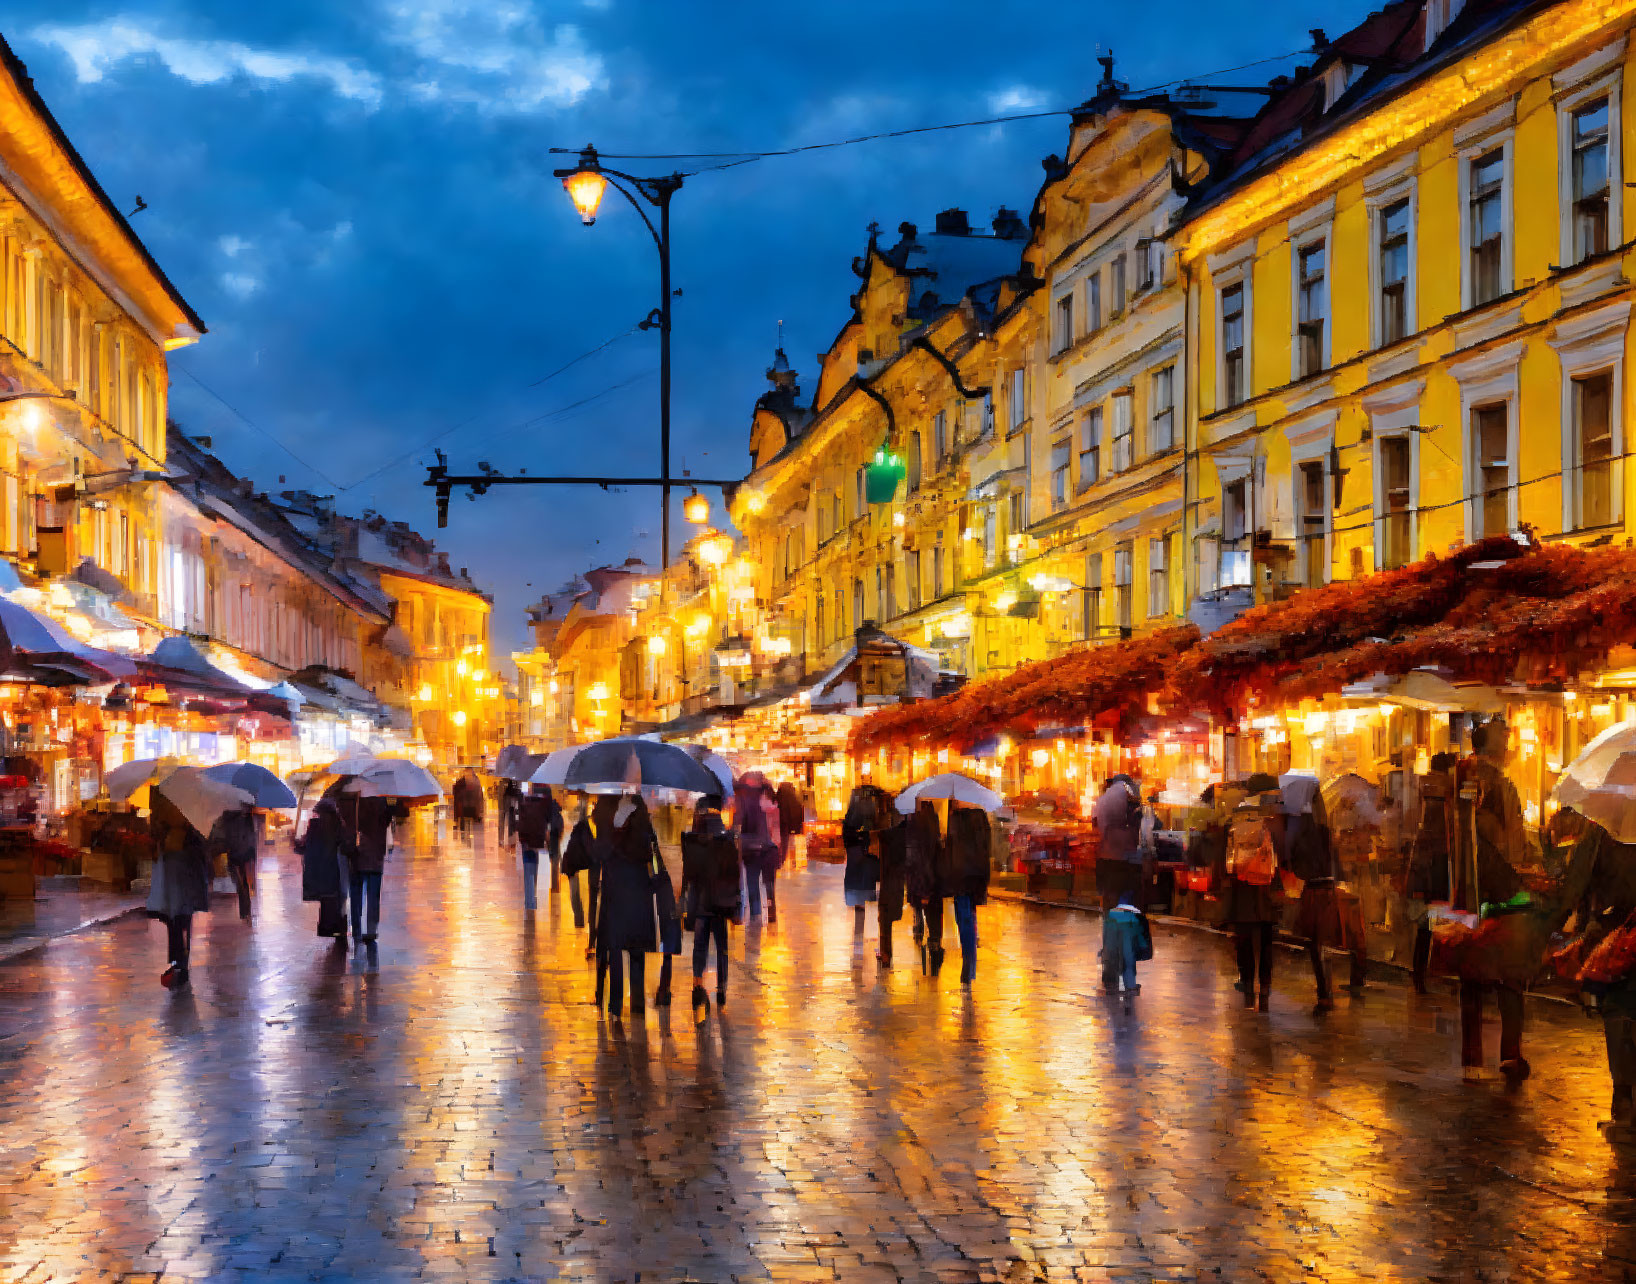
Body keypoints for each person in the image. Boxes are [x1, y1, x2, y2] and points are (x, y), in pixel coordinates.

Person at [1453, 720, 1537, 1083]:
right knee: (1510, 979)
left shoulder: (1465, 778)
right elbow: (1497, 838)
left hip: (1470, 894)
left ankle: (1474, 1059)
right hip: (1501, 895)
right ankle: (1509, 1054)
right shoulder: (1491, 782)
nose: (1508, 746)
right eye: (1504, 739)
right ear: (1490, 744)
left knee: (1473, 979)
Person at [1552, 812, 1636, 1131]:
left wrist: (1558, 920)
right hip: (1618, 930)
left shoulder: (1603, 829)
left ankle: (1624, 1103)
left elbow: (1578, 880)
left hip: (1616, 935)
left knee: (1618, 1011)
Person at [1281, 773, 1365, 1011]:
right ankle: (1328, 990)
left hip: (1314, 890)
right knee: (1326, 941)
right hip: (1328, 888)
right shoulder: (1324, 828)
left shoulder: (1299, 826)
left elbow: (1293, 861)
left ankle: (1324, 992)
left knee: (1316, 943)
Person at [595, 792, 667, 1020]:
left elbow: (600, 852)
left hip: (616, 891)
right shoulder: (643, 820)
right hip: (639, 893)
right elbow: (652, 857)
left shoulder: (608, 816)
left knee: (615, 949)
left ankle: (615, 1006)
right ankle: (637, 1006)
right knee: (636, 950)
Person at [1219, 774, 1283, 1012]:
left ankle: (1247, 982)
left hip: (1242, 885)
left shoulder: (1235, 816)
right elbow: (1280, 853)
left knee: (1244, 937)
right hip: (1266, 885)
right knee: (1266, 939)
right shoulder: (1273, 818)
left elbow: (1225, 854)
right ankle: (1264, 985)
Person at [680, 793, 741, 1019]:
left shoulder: (693, 840)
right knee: (722, 947)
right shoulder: (726, 840)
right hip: (721, 903)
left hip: (701, 904)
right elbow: (734, 876)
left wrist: (684, 900)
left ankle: (697, 984)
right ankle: (722, 990)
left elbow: (688, 875)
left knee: (700, 947)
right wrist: (737, 905)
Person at [147, 792, 211, 988]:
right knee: (182, 921)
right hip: (182, 878)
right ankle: (181, 963)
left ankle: (179, 962)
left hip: (176, 878)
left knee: (176, 922)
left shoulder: (169, 825)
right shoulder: (191, 821)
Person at [1406, 752, 1459, 993]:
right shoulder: (1441, 794)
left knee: (1427, 924)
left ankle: (1422, 973)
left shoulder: (1424, 793)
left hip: (1428, 865)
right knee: (1432, 923)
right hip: (1436, 866)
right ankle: (1425, 973)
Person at [339, 790, 408, 945]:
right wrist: (391, 804)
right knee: (373, 895)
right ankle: (370, 930)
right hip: (374, 855)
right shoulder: (382, 799)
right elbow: (399, 813)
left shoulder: (349, 796)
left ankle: (356, 928)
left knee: (356, 894)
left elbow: (343, 820)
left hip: (356, 853)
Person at [946, 802, 992, 984]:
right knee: (969, 916)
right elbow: (987, 847)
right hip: (978, 874)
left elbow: (951, 850)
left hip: (961, 875)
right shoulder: (981, 817)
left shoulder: (955, 819)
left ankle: (968, 963)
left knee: (964, 918)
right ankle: (969, 963)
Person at [299, 796, 349, 941]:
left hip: (328, 872)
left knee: (331, 902)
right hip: (330, 872)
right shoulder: (333, 827)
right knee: (333, 902)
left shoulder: (321, 827)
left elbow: (307, 848)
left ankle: (336, 931)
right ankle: (336, 931)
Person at [735, 772, 782, 922]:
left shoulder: (742, 797)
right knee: (769, 883)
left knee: (753, 882)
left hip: (751, 847)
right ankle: (771, 910)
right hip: (768, 847)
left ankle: (756, 915)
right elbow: (776, 822)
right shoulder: (767, 794)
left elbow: (738, 821)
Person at [905, 798, 945, 973]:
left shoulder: (911, 824)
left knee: (924, 910)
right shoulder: (932, 826)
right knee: (935, 921)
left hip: (918, 881)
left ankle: (920, 925)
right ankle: (935, 953)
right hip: (931, 883)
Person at [1094, 774, 1145, 910]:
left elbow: (1096, 824)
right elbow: (1137, 821)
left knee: (1110, 894)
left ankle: (1109, 920)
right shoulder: (1128, 794)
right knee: (1124, 893)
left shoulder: (1103, 798)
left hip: (1106, 853)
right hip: (1123, 854)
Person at [842, 784, 884, 942]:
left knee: (859, 903)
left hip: (855, 863)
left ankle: (859, 938)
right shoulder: (870, 816)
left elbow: (848, 839)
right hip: (865, 862)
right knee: (866, 898)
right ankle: (867, 938)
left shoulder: (850, 818)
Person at [561, 794, 602, 953]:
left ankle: (592, 941)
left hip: (591, 872)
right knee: (595, 905)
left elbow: (573, 848)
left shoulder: (584, 826)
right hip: (600, 872)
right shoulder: (608, 826)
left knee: (592, 905)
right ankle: (594, 940)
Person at [514, 784, 564, 911]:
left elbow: (518, 821)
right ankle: (532, 898)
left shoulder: (526, 801)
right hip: (537, 838)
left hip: (526, 838)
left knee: (528, 868)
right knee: (533, 867)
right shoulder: (546, 803)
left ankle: (530, 900)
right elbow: (552, 823)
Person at [1100, 892, 1152, 1003]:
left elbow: (1106, 933)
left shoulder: (1110, 915)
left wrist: (1105, 947)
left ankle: (1111, 986)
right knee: (1129, 964)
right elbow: (1140, 934)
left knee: (1113, 962)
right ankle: (1131, 987)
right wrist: (1144, 948)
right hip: (1128, 945)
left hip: (1113, 945)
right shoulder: (1136, 916)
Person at [212, 803, 259, 921]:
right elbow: (231, 838)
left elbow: (251, 839)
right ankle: (245, 912)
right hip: (236, 855)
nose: (248, 809)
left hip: (244, 856)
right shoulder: (232, 819)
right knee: (241, 884)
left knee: (244, 884)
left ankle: (245, 912)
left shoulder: (248, 820)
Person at [877, 807, 908, 967]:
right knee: (885, 914)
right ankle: (885, 952)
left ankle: (885, 952)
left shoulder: (887, 831)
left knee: (885, 914)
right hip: (895, 878)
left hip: (890, 878)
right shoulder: (908, 829)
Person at [776, 779, 806, 866]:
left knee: (780, 841)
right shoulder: (793, 798)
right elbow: (797, 812)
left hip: (779, 824)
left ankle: (780, 858)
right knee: (787, 842)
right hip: (788, 825)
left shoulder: (778, 797)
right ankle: (783, 859)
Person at [452, 768, 485, 842]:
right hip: (463, 808)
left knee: (473, 829)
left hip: (473, 808)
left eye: (470, 773)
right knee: (464, 827)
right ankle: (464, 841)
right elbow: (457, 798)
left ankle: (469, 841)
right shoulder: (460, 783)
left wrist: (481, 812)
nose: (468, 775)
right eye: (467, 773)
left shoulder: (476, 782)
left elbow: (480, 798)